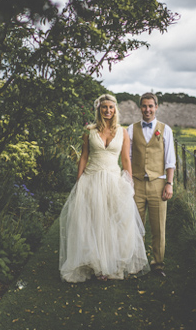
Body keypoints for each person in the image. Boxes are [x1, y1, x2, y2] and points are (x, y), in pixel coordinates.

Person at [59, 94, 150, 282]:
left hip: (113, 181)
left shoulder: (122, 132)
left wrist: (129, 182)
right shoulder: (89, 131)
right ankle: (95, 266)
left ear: (115, 109)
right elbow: (84, 156)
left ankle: (110, 264)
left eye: (111, 107)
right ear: (98, 109)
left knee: (113, 223)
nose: (107, 111)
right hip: (91, 179)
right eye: (104, 107)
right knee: (92, 223)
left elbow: (126, 159)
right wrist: (79, 180)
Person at [128, 92, 176, 278]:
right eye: (144, 106)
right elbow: (128, 158)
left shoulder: (166, 130)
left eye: (151, 106)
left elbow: (170, 160)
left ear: (156, 107)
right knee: (135, 226)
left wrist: (169, 184)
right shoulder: (131, 130)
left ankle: (158, 264)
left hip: (158, 184)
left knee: (158, 227)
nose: (147, 109)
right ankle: (137, 263)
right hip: (137, 184)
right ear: (140, 108)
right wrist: (129, 182)